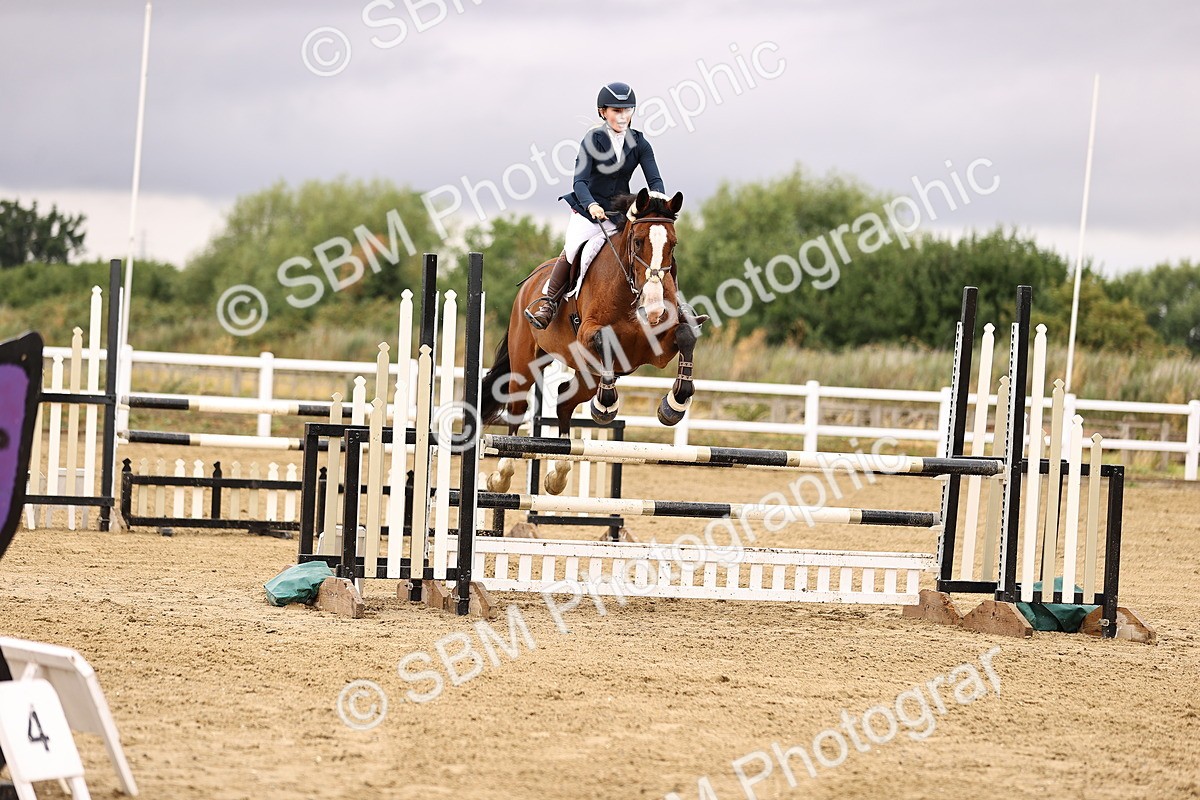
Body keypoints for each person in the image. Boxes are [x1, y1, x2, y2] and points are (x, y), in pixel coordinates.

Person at [525, 81, 666, 329]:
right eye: (616, 111)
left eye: (627, 111)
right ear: (603, 112)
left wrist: (659, 206)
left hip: (620, 213)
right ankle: (548, 303)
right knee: (575, 249)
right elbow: (579, 182)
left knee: (652, 248)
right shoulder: (592, 140)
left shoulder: (640, 144)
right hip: (588, 210)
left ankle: (667, 301)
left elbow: (654, 180)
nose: (622, 116)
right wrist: (591, 205)